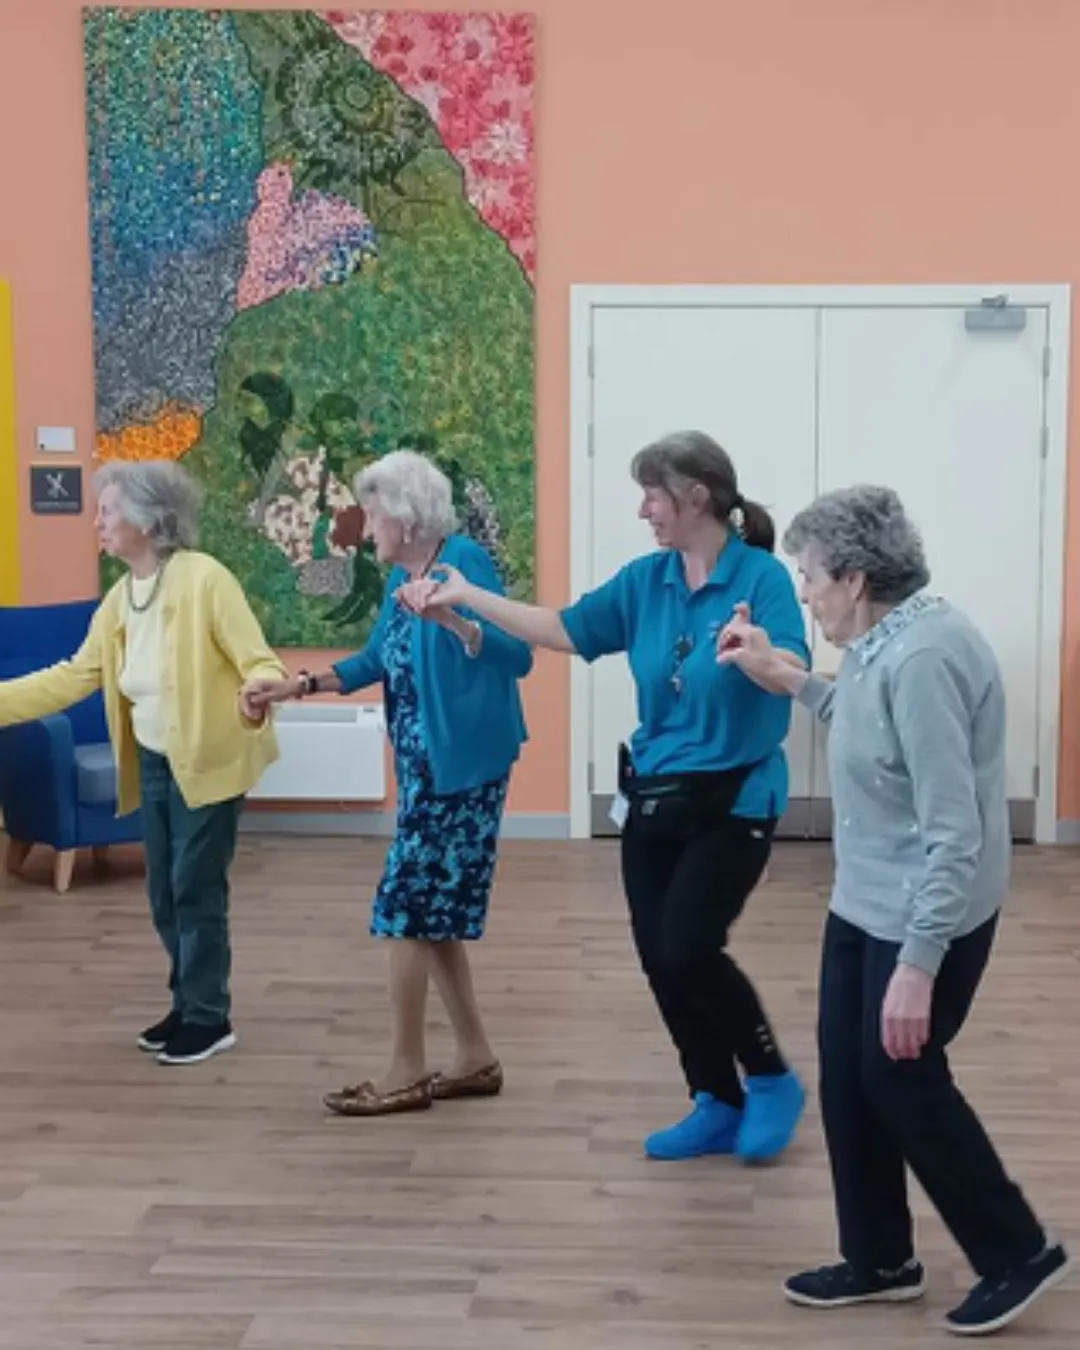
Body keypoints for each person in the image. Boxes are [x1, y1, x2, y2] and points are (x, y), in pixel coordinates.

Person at [716, 484, 1070, 1336]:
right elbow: (861, 719)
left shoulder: (924, 660)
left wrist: (919, 965)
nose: (803, 594)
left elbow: (955, 833)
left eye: (809, 578)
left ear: (854, 577)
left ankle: (1017, 1251)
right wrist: (789, 676)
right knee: (849, 1077)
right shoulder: (887, 638)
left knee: (900, 1074)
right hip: (866, 898)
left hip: (926, 911)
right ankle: (879, 1258)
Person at [407, 430, 809, 1162]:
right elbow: (562, 628)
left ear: (696, 496)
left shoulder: (762, 580)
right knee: (659, 956)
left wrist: (761, 658)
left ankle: (772, 1078)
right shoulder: (645, 581)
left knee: (690, 945)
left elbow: (793, 666)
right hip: (656, 796)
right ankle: (714, 1098)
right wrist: (469, 598)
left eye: (652, 494)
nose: (643, 510)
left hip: (737, 800)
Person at [248, 450, 532, 1117]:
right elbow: (378, 656)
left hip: (460, 771)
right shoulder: (400, 578)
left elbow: (517, 653)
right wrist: (300, 685)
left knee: (404, 910)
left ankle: (406, 1069)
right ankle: (474, 1057)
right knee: (432, 919)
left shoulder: (462, 564)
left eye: (371, 512)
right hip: (424, 771)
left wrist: (454, 620)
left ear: (404, 518)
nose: (362, 522)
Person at [0, 461, 286, 1065]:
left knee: (195, 888)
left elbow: (259, 660)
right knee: (163, 892)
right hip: (154, 763)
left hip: (209, 760)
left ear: (150, 520)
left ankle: (210, 1018)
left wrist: (259, 688)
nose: (97, 521)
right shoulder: (121, 599)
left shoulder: (206, 580)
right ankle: (187, 1003)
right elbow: (73, 676)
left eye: (107, 511)